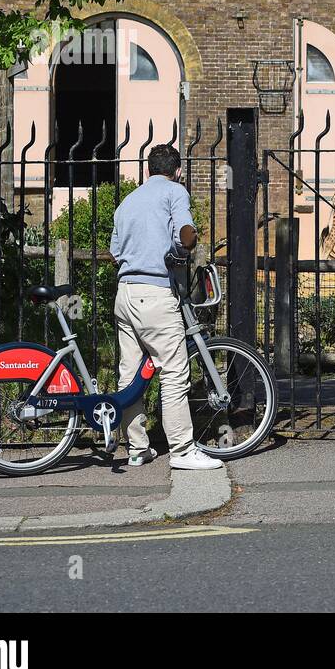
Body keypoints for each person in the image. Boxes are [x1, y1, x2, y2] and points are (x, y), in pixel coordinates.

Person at [108, 145, 221, 471]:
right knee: (174, 373)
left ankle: (137, 448)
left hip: (124, 294)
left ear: (147, 170)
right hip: (154, 296)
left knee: (129, 377)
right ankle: (183, 451)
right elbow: (185, 235)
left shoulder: (128, 201)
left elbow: (115, 252)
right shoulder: (175, 191)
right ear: (179, 171)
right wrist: (181, 248)